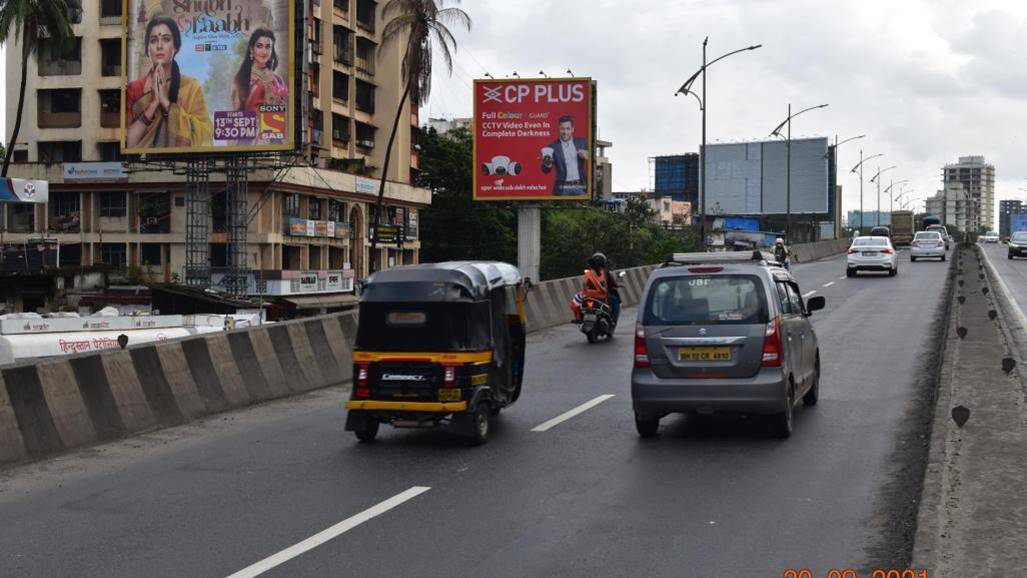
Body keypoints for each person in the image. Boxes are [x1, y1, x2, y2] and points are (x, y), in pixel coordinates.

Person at [125, 16, 213, 149]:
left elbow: (205, 136)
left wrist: (166, 104)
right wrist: (153, 104)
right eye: (153, 40)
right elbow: (128, 143)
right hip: (142, 161)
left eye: (166, 39)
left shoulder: (191, 87)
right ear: (147, 48)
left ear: (176, 46)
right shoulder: (134, 89)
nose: (159, 46)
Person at [232, 28, 289, 145]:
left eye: (268, 47)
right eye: (259, 46)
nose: (264, 51)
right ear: (251, 49)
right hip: (248, 140)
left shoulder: (277, 80)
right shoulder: (242, 79)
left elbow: (281, 117)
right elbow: (235, 115)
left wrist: (277, 106)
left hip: (272, 139)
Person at [540, 115, 589, 196]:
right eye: (562, 128)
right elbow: (545, 170)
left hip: (581, 186)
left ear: (572, 129)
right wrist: (547, 164)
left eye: (568, 129)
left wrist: (588, 154)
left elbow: (594, 158)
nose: (565, 132)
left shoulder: (582, 142)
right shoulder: (552, 147)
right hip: (562, 188)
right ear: (559, 128)